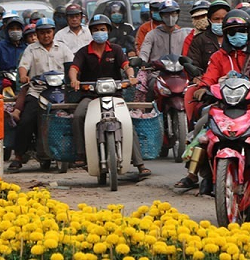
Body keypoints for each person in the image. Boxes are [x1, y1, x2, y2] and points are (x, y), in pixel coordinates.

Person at [180, 10, 250, 192]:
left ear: (248, 32)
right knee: (200, 129)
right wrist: (202, 89)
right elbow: (209, 78)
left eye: (241, 30)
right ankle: (206, 177)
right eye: (231, 32)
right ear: (225, 34)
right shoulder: (218, 57)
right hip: (224, 110)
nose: (236, 35)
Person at [69, 14, 151, 177]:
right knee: (78, 115)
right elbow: (74, 68)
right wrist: (74, 80)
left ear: (108, 31)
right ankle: (81, 154)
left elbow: (126, 65)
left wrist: (131, 76)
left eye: (103, 29)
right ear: (91, 32)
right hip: (90, 95)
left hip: (115, 95)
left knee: (127, 123)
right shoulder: (83, 52)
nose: (100, 32)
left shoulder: (116, 49)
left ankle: (139, 163)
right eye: (96, 30)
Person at [11, 18, 74, 171]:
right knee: (26, 120)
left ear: (53, 33)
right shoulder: (31, 49)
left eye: (48, 32)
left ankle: (77, 153)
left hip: (61, 91)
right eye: (42, 33)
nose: (46, 36)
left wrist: (73, 78)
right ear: (37, 34)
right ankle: (18, 155)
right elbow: (23, 66)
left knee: (74, 117)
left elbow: (72, 66)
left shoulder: (63, 48)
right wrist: (24, 75)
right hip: (38, 91)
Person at [0, 17, 27, 93]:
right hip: (4, 80)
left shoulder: (27, 47)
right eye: (12, 29)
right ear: (7, 31)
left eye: (18, 29)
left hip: (23, 81)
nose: (15, 31)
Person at [186, 0, 230, 71]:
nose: (220, 22)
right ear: (209, 20)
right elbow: (194, 63)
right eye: (216, 19)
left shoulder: (235, 38)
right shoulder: (199, 40)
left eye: (223, 19)